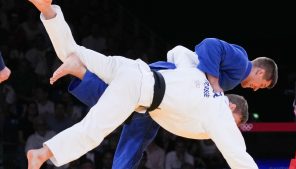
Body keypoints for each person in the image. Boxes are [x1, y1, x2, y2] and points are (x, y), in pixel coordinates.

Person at [27, 0, 278, 168]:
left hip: (135, 69)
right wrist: (210, 82)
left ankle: (48, 11)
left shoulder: (196, 70)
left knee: (72, 52)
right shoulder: (218, 110)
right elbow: (238, 156)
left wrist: (199, 76)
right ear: (232, 109)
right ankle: (43, 153)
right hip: (139, 91)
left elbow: (177, 51)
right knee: (93, 131)